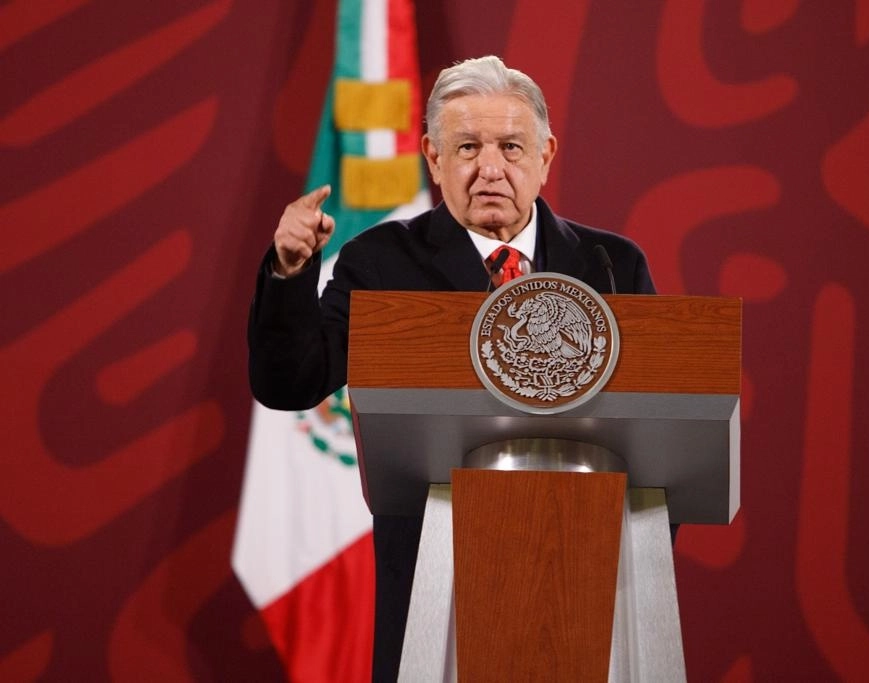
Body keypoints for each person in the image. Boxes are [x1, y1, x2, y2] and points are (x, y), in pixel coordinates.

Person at [248, 55, 656, 681]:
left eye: (510, 147)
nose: (490, 168)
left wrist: (632, 549)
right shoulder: (382, 262)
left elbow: (659, 422)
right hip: (431, 576)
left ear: (546, 156)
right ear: (433, 160)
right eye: (467, 147)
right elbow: (292, 382)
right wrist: (291, 272)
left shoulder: (609, 266)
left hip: (587, 568)